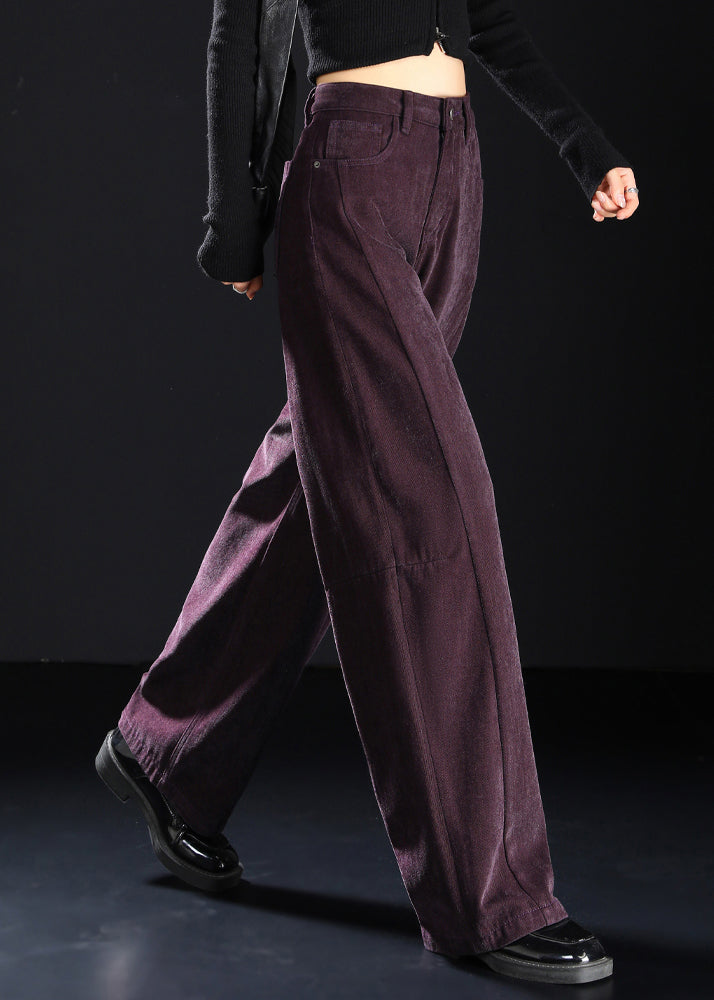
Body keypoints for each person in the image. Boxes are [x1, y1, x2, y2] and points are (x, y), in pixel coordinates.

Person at [96, 0, 639, 986]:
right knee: (432, 516)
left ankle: (165, 751)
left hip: (452, 177)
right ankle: (490, 895)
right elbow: (238, 27)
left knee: (324, 481)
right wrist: (233, 227)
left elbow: (489, 20)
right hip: (349, 177)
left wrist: (583, 144)